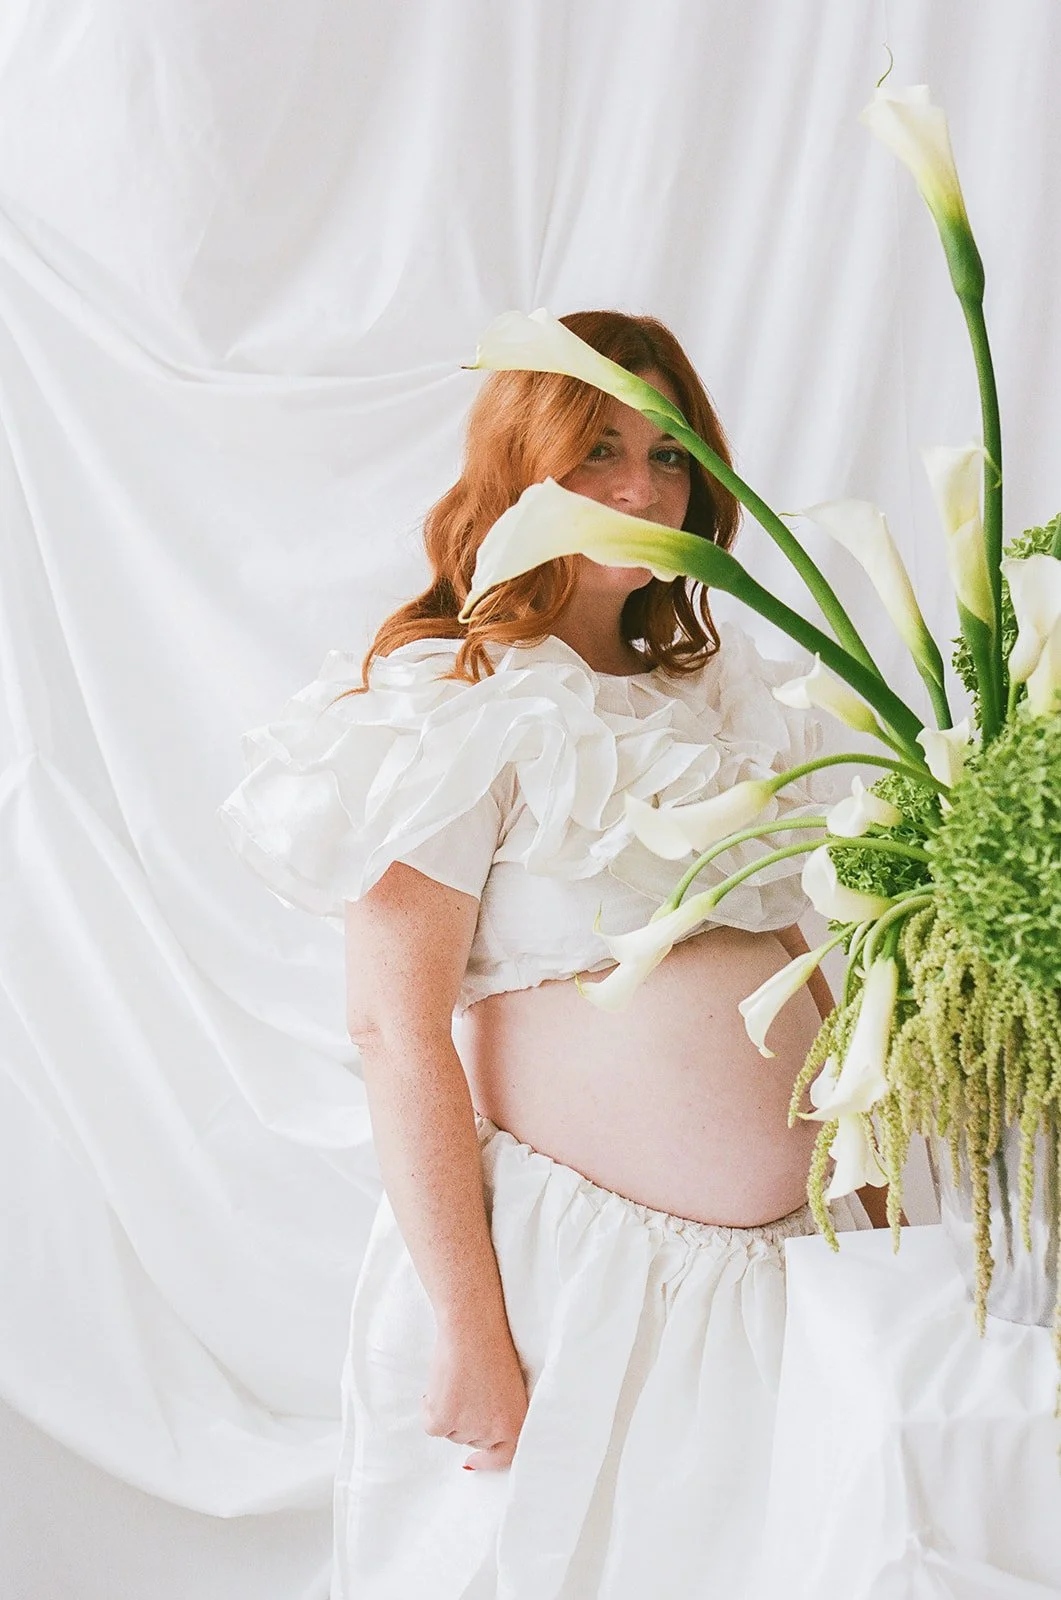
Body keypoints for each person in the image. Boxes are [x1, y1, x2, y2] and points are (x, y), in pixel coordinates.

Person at [220, 310, 881, 1600]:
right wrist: (473, 1329)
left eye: (669, 454)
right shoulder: (455, 698)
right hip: (569, 1280)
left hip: (794, 1271)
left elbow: (799, 949)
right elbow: (393, 1029)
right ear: (519, 463)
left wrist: (870, 1192)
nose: (642, 489)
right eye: (596, 453)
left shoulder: (721, 690)